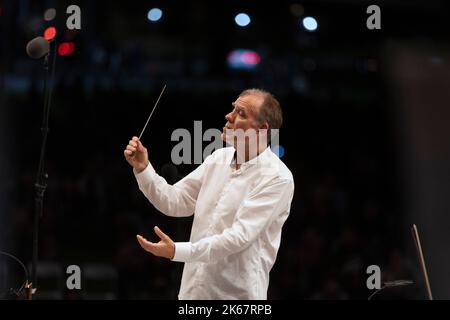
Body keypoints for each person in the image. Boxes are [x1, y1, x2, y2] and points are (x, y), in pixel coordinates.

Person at [124, 88, 294, 299]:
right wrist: (143, 168)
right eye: (233, 108)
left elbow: (238, 237)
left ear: (262, 129)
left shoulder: (277, 178)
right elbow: (175, 201)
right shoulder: (218, 158)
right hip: (192, 294)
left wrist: (177, 251)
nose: (228, 116)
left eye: (241, 113)